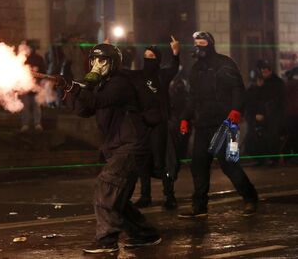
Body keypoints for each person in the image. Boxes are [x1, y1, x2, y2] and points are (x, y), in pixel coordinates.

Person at [72, 43, 161, 254]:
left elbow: (96, 101)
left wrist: (79, 88)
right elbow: (83, 110)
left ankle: (106, 241)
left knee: (106, 189)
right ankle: (145, 234)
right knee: (117, 198)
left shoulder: (120, 84)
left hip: (131, 146)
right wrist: (71, 91)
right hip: (118, 146)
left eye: (102, 61)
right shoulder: (101, 84)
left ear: (113, 63)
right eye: (93, 60)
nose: (96, 65)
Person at [178, 31, 258, 218]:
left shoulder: (225, 63)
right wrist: (185, 117)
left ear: (210, 43)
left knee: (229, 164)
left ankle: (250, 197)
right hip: (203, 124)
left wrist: (236, 110)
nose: (198, 45)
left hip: (225, 123)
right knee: (198, 165)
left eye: (202, 42)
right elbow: (193, 98)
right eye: (196, 42)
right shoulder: (196, 69)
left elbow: (238, 89)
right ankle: (199, 207)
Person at [131, 37, 180, 210]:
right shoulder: (138, 76)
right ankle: (145, 196)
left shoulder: (162, 75)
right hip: (143, 125)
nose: (148, 59)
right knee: (143, 161)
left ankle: (170, 196)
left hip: (160, 124)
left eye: (151, 56)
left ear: (157, 59)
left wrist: (175, 52)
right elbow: (121, 73)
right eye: (145, 55)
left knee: (162, 161)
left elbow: (174, 68)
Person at [250, 60, 285, 165]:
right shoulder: (261, 83)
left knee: (272, 135)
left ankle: (274, 159)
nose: (264, 74)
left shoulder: (277, 82)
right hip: (262, 114)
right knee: (258, 135)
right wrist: (257, 87)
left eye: (265, 71)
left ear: (270, 71)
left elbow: (278, 100)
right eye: (262, 72)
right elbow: (255, 99)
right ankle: (260, 159)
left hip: (274, 115)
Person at [20, 42, 47, 132]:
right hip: (25, 87)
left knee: (36, 106)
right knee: (25, 107)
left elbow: (43, 72)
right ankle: (25, 124)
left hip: (36, 86)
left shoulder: (39, 58)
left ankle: (37, 124)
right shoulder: (22, 58)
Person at [282, 67, 298, 161]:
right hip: (295, 113)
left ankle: (287, 156)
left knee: (290, 135)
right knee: (295, 135)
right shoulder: (295, 84)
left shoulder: (286, 84)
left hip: (287, 114)